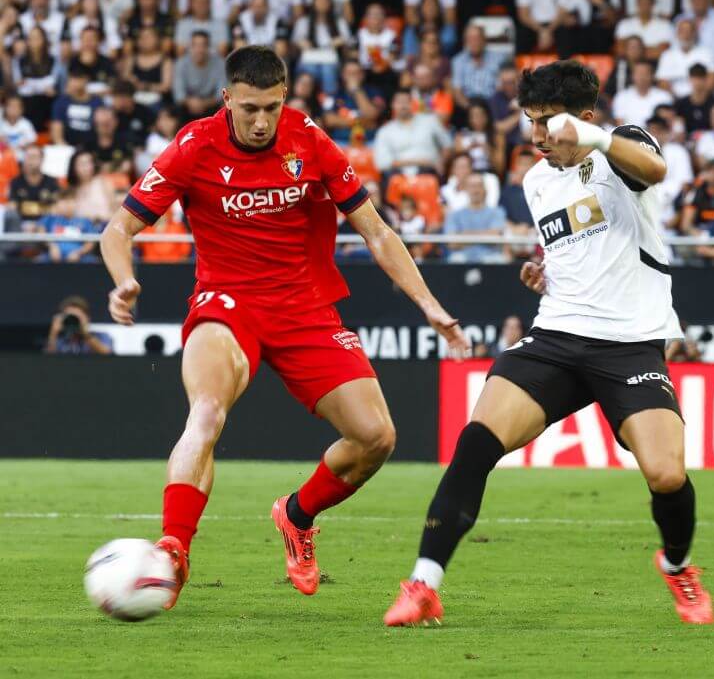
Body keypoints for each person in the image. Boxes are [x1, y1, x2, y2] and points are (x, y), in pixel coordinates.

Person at [99, 46, 469, 611]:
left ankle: (297, 514)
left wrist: (429, 304)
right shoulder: (194, 145)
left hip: (305, 307)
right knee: (206, 412)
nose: (261, 121)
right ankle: (173, 547)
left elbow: (376, 232)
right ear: (227, 99)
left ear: (286, 97)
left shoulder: (311, 140)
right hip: (227, 303)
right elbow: (118, 230)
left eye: (272, 107)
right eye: (249, 108)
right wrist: (123, 279)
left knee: (377, 437)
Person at [385, 60, 714, 627]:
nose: (536, 137)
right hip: (556, 335)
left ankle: (679, 565)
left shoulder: (621, 147)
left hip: (629, 343)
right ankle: (423, 583)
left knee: (666, 475)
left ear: (585, 119)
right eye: (529, 122)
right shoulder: (536, 180)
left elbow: (654, 170)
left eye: (548, 124)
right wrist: (545, 269)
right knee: (477, 443)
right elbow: (577, 245)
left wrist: (588, 137)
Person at [373, 89, 452, 177]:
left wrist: (441, 162)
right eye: (399, 102)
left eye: (406, 102)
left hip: (429, 172)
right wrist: (421, 162)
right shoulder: (385, 131)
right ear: (392, 105)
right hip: (399, 176)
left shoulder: (430, 121)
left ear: (413, 103)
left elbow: (448, 145)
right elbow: (382, 164)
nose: (403, 106)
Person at [442, 173, 508, 264]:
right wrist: (485, 235)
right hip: (462, 259)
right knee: (455, 259)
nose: (476, 190)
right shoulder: (454, 215)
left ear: (485, 189)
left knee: (498, 260)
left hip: (490, 258)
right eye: (472, 186)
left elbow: (494, 237)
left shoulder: (497, 212)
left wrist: (464, 235)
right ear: (466, 189)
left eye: (479, 186)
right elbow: (452, 243)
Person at [655, 18, 714, 99]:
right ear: (677, 34)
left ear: (695, 34)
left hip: (700, 99)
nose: (686, 35)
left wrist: (697, 98)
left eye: (689, 31)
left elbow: (713, 79)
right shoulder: (667, 55)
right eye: (683, 31)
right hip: (674, 99)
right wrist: (678, 100)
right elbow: (662, 82)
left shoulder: (706, 53)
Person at [173, 31, 227, 122]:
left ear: (208, 47)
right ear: (190, 47)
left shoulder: (220, 63)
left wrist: (203, 103)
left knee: (225, 109)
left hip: (211, 104)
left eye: (203, 45)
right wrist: (190, 102)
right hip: (187, 105)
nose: (199, 49)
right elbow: (179, 94)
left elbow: (221, 94)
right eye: (195, 45)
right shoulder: (181, 63)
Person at [612, 59, 673, 128]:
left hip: (656, 136)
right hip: (629, 137)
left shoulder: (664, 96)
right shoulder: (621, 97)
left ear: (652, 76)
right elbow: (620, 125)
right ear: (632, 76)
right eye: (639, 73)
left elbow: (668, 123)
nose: (642, 77)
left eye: (645, 73)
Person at [46, 295, 113, 354]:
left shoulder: (102, 336)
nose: (74, 321)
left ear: (87, 318)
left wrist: (86, 334)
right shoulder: (60, 341)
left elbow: (108, 356)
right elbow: (46, 361)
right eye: (71, 318)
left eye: (78, 317)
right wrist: (53, 333)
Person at [0, 95, 38, 160]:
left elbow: (32, 141)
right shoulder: (1, 124)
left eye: (16, 107)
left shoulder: (26, 124)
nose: (13, 109)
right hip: (5, 156)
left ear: (21, 110)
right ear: (5, 108)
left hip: (23, 155)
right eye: (10, 106)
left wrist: (22, 146)